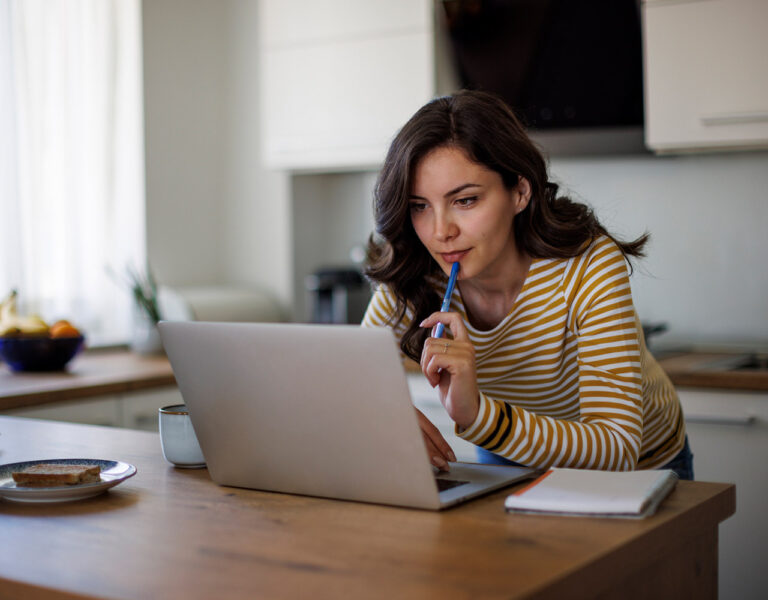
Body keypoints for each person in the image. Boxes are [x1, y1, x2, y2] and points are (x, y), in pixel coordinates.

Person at [361, 90, 693, 480]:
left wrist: (479, 416)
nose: (440, 232)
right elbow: (351, 381)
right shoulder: (417, 270)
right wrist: (385, 414)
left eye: (465, 200)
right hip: (510, 455)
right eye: (419, 206)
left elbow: (617, 445)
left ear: (519, 192)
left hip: (639, 468)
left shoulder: (587, 264)